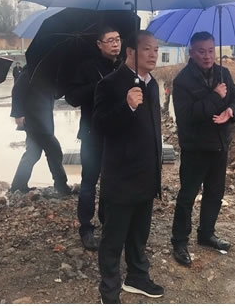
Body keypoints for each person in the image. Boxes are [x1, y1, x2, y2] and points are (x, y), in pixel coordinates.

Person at [93, 31, 164, 303]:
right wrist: (127, 106)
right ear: (130, 52)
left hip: (147, 174)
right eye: (147, 49)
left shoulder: (152, 84)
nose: (153, 54)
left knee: (139, 235)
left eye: (156, 49)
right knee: (113, 240)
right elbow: (100, 126)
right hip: (121, 177)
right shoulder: (110, 84)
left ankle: (137, 277)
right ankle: (109, 292)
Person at [170, 32, 235, 267]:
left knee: (215, 193)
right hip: (195, 147)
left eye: (211, 51)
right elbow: (186, 116)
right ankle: (179, 241)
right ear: (192, 53)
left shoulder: (223, 73)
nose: (207, 56)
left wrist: (231, 111)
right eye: (201, 51)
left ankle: (206, 233)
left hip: (220, 145)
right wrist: (214, 97)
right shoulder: (182, 81)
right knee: (187, 196)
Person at [64, 26, 122, 251]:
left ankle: (109, 222)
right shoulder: (87, 68)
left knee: (112, 180)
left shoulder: (124, 66)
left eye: (118, 39)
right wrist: (99, 85)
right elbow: (72, 98)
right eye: (110, 40)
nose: (115, 44)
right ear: (99, 44)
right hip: (92, 134)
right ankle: (86, 227)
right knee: (89, 181)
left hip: (117, 133)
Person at [10, 65, 71, 196]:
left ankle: (18, 185)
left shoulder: (49, 71)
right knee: (54, 150)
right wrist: (18, 114)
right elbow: (17, 91)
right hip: (34, 119)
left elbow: (55, 94)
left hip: (43, 118)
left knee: (33, 153)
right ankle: (61, 186)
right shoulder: (31, 70)